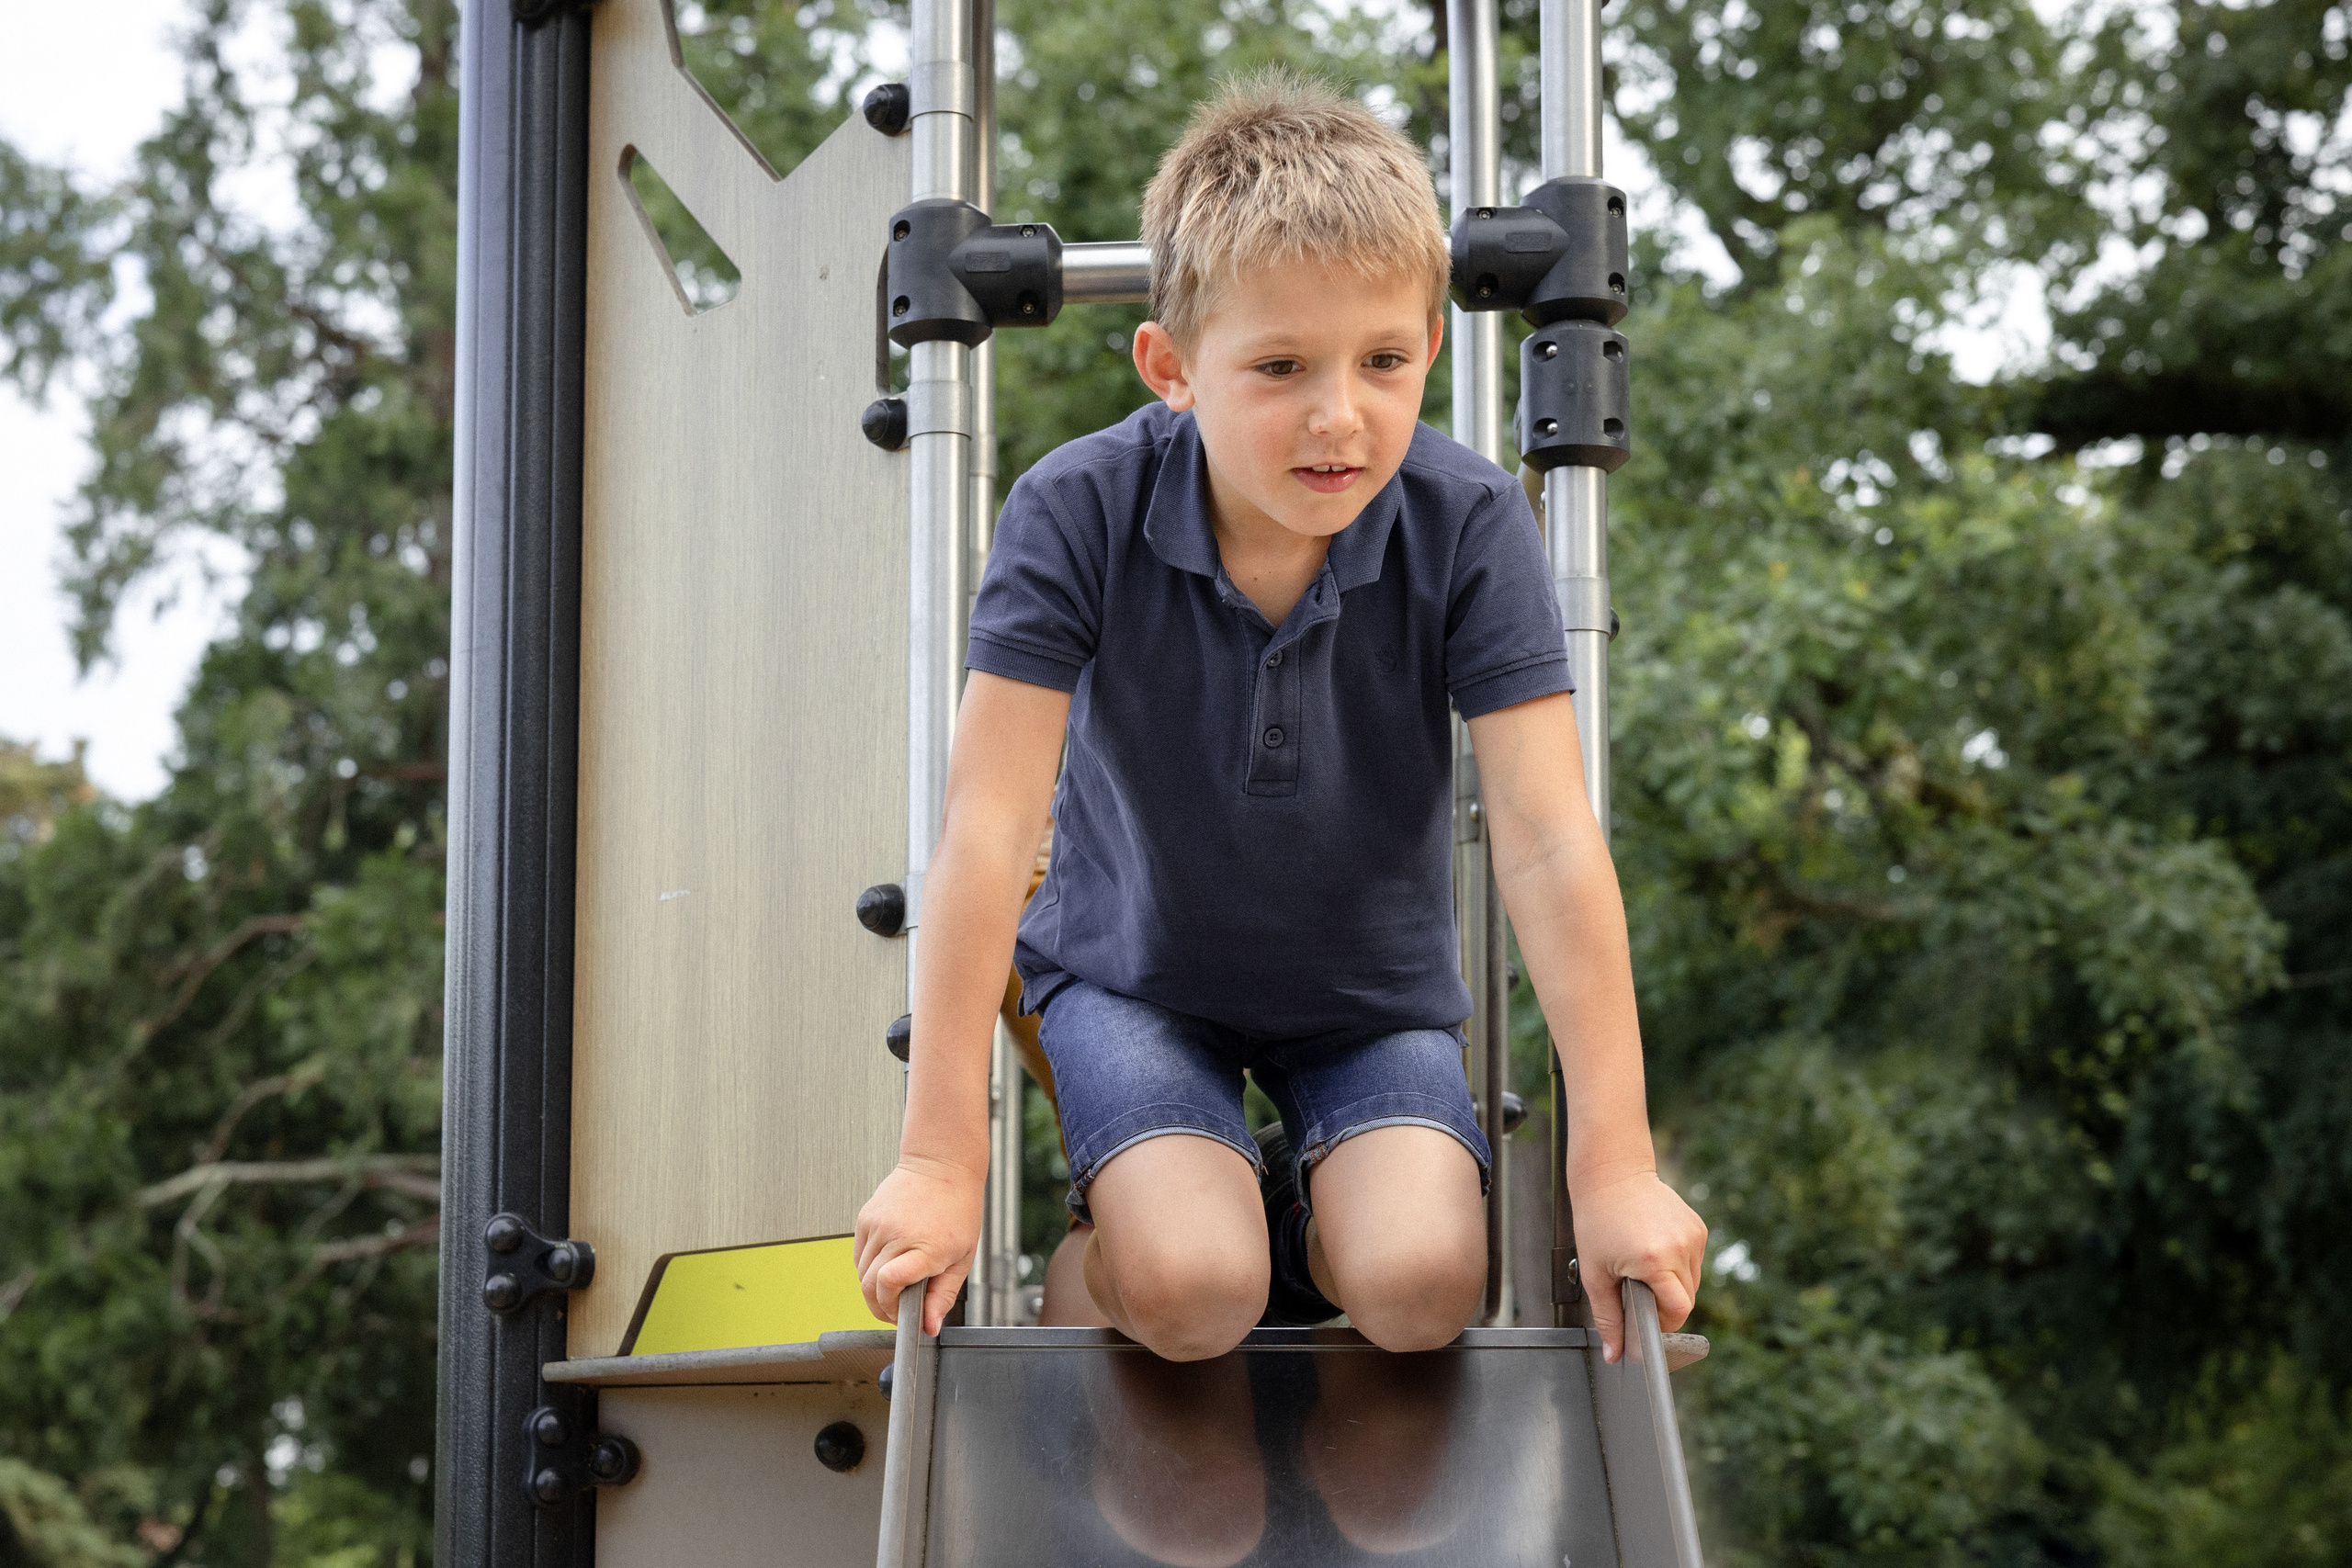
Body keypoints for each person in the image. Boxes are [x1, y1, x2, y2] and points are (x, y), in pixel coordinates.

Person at [854, 69, 1705, 1365]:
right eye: (1279, 366)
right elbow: (985, 827)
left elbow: (1544, 837)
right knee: (1194, 1291)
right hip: (1134, 980)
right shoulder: (1074, 509)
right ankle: (1117, 1262)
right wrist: (936, 1161)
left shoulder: (1469, 523)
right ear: (1171, 366)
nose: (1338, 416)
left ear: (1430, 344)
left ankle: (1293, 1217)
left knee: (1422, 1289)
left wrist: (1617, 1166)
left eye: (1381, 361)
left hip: (1365, 998)